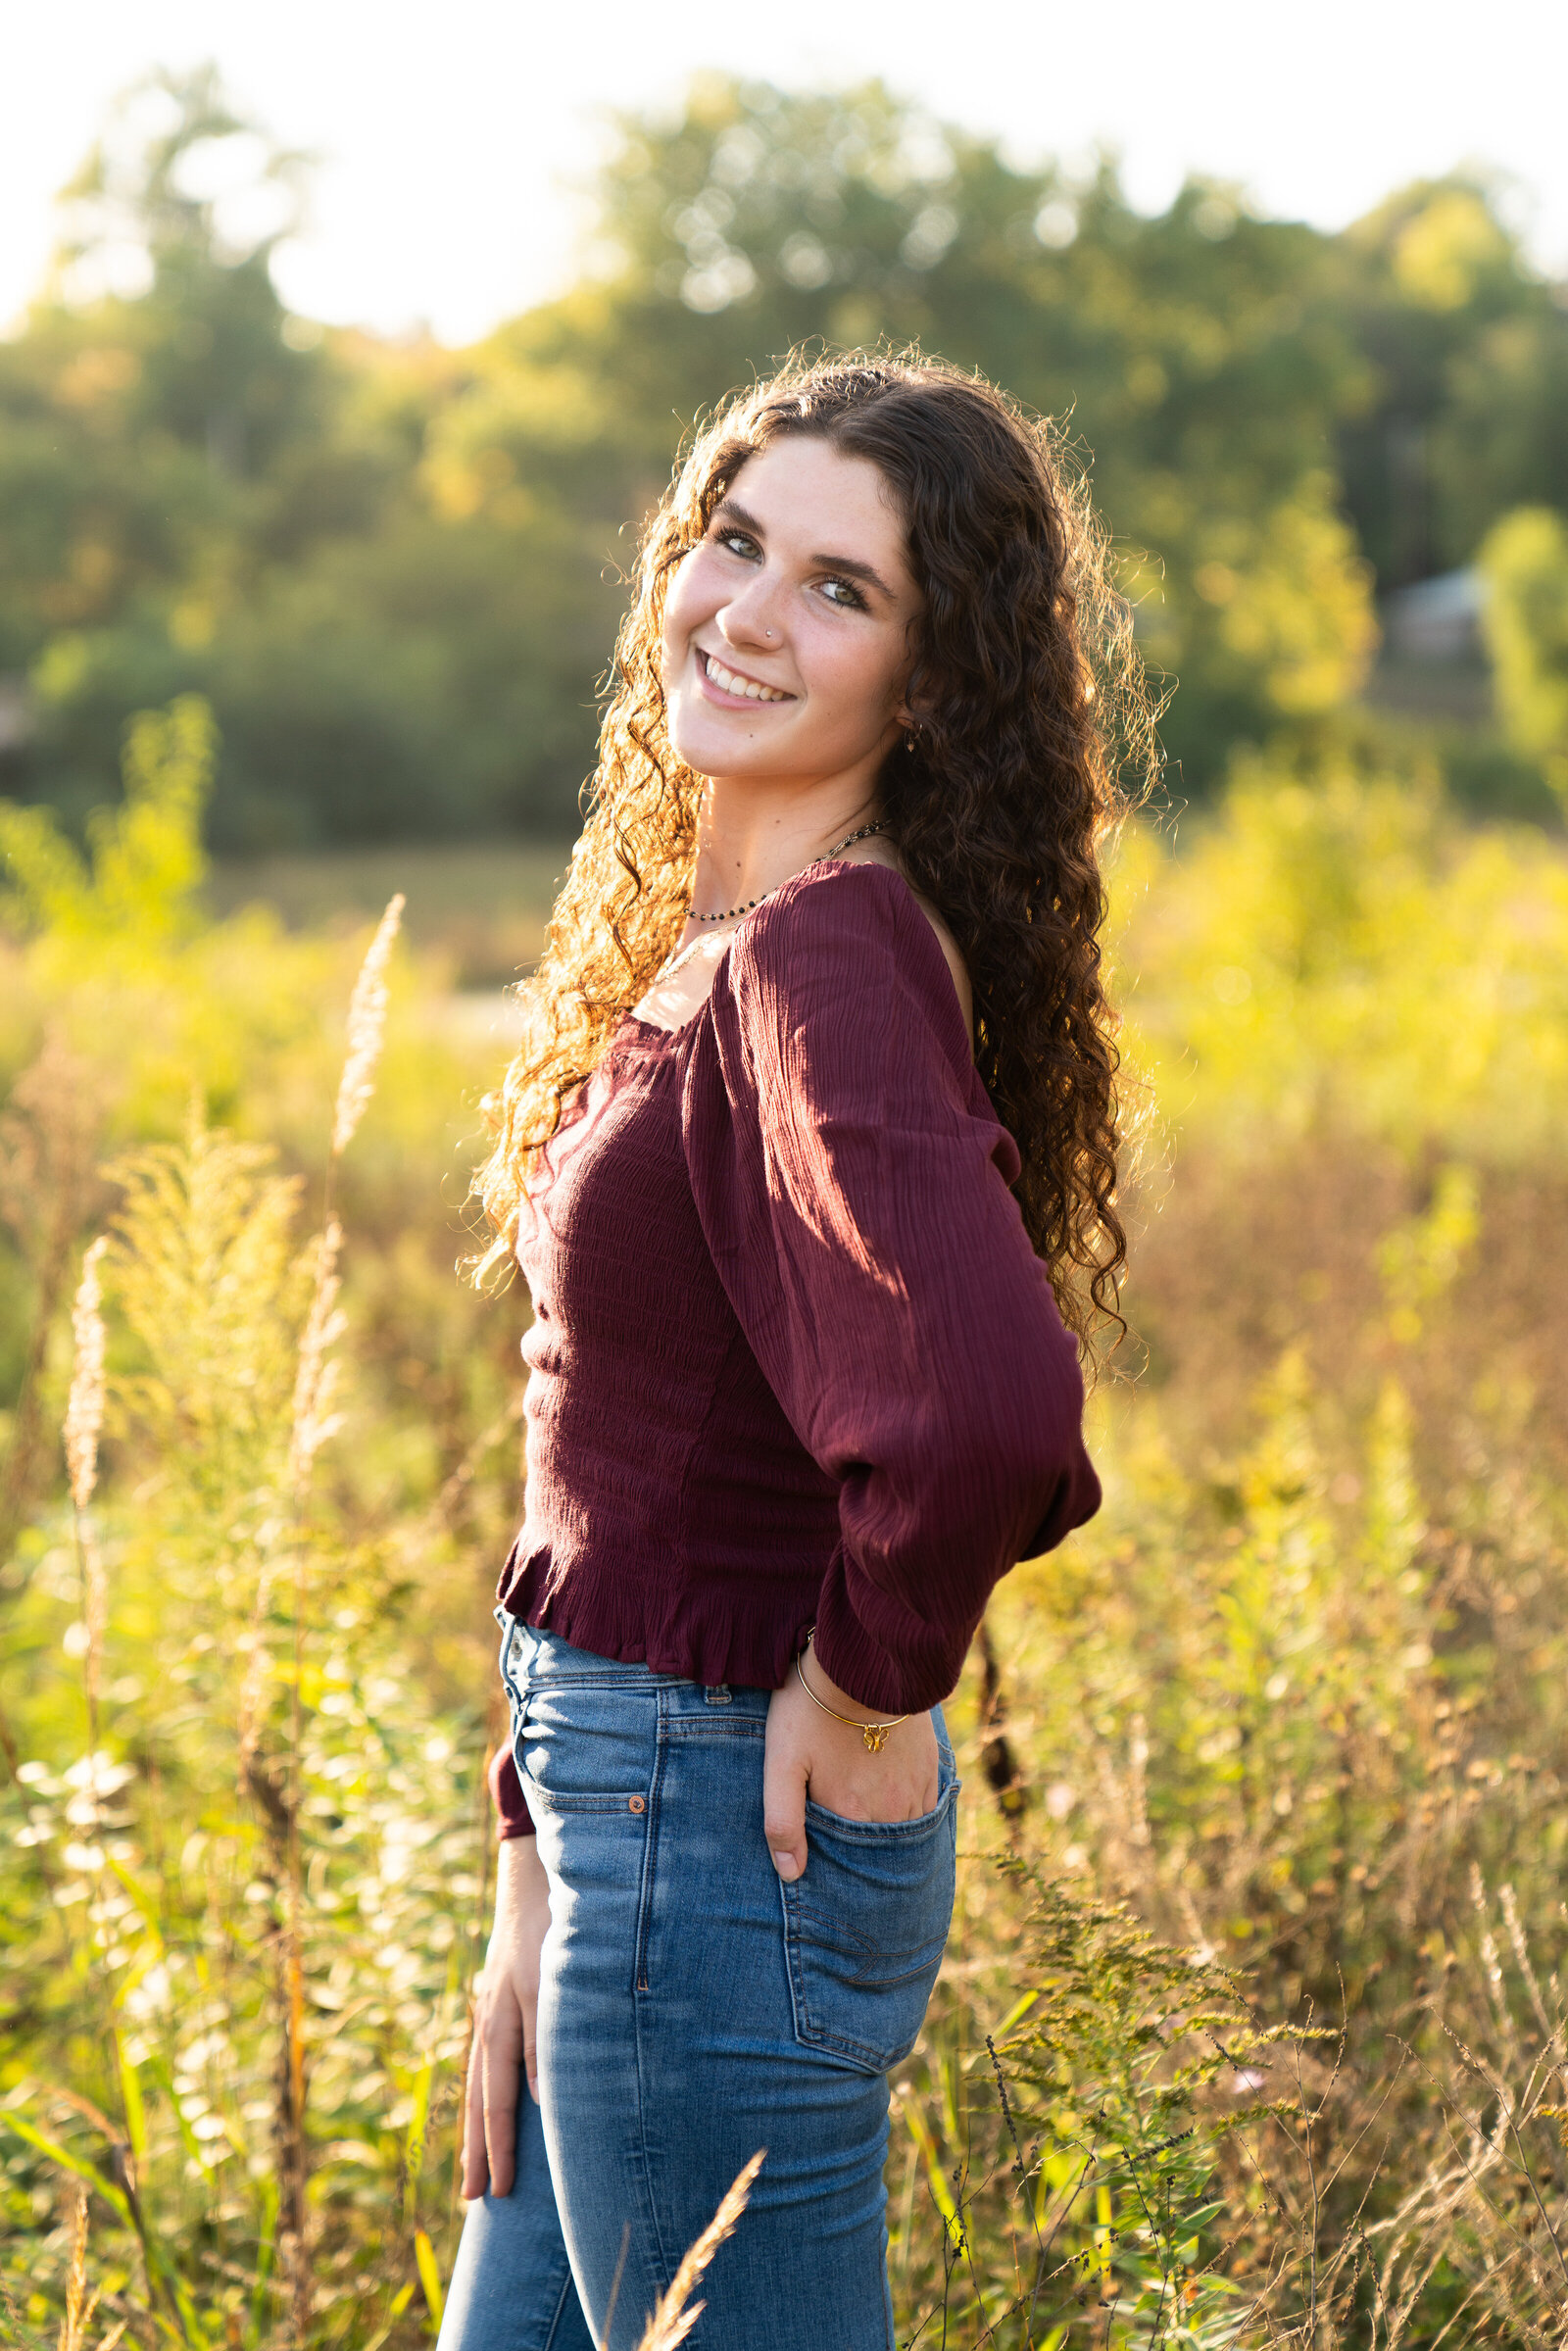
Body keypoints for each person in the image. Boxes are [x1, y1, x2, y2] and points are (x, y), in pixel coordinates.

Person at [440, 353, 1152, 2351]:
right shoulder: (714, 945)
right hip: (619, 1840)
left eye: (838, 588)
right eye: (735, 542)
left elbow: (982, 1416)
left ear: (926, 688)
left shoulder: (824, 956)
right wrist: (532, 1877)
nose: (747, 610)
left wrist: (854, 1698)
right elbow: (604, 1461)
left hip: (704, 1846)